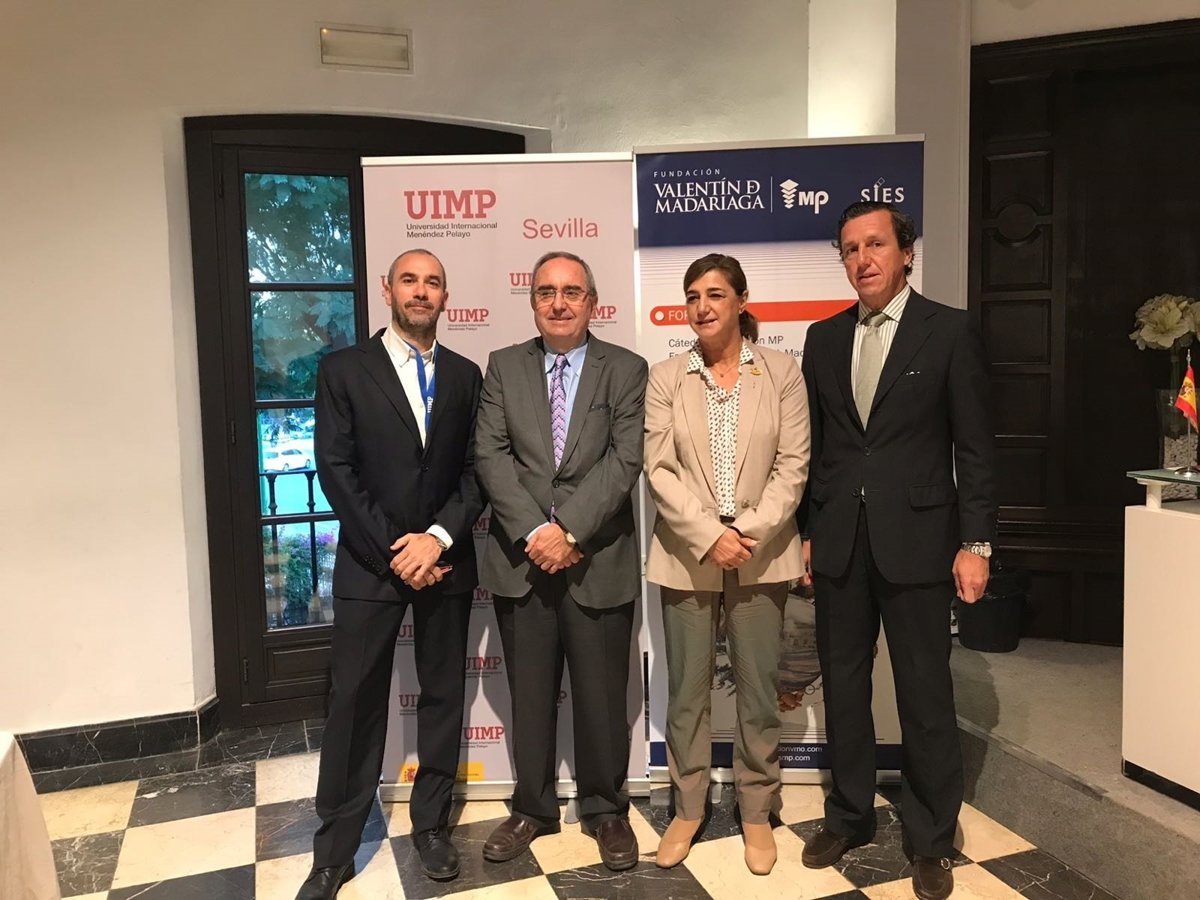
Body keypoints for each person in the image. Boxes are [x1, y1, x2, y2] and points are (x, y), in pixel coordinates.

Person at [797, 202, 996, 900]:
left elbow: (975, 448)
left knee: (925, 693)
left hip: (919, 543)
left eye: (876, 244)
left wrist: (976, 542)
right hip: (840, 544)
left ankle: (931, 838)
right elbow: (819, 448)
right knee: (844, 689)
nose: (863, 259)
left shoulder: (950, 330)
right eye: (850, 249)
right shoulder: (823, 338)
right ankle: (848, 816)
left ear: (906, 252)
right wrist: (808, 530)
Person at [296, 249, 484, 899]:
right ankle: (333, 852)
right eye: (410, 280)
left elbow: (476, 473)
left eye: (433, 282)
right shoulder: (344, 370)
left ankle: (431, 826)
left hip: (445, 561)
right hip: (370, 564)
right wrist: (397, 550)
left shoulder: (465, 376)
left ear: (445, 296)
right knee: (353, 704)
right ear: (388, 290)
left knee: (443, 698)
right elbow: (336, 470)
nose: (421, 291)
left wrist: (435, 539)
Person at [475, 250, 648, 871]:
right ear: (532, 303)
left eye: (571, 291)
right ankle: (532, 808)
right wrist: (535, 533)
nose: (559, 302)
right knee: (529, 696)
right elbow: (491, 456)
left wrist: (569, 530)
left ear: (592, 303)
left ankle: (606, 810)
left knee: (601, 696)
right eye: (546, 292)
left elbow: (625, 459)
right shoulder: (503, 366)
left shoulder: (625, 368)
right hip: (522, 562)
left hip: (597, 557)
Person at [643, 253, 810, 875]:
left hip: (762, 554)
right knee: (687, 692)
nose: (702, 306)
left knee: (759, 691)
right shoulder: (665, 377)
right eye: (692, 296)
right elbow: (659, 469)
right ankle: (687, 808)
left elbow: (793, 465)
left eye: (715, 294)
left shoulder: (782, 372)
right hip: (686, 554)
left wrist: (747, 533)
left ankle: (757, 810)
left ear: (741, 301)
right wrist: (711, 536)